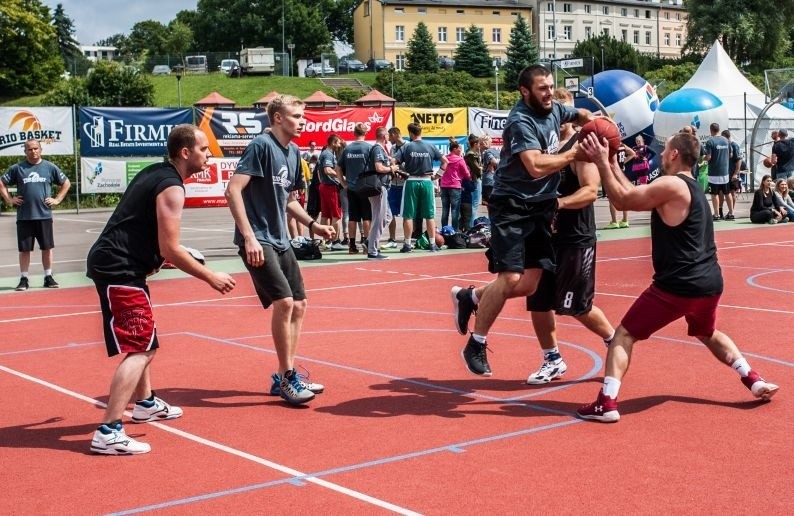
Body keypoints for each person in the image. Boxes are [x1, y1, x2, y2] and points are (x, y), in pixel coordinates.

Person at [576, 131, 778, 423]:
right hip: (709, 283)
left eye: (664, 150)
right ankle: (753, 379)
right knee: (707, 333)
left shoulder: (670, 184)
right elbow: (633, 192)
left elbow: (622, 200)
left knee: (624, 334)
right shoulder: (691, 186)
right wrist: (611, 162)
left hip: (678, 285)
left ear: (674, 155)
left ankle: (606, 402)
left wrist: (600, 161)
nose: (659, 155)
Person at [86, 125, 237, 455]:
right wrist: (210, 276)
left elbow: (147, 234)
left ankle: (146, 403)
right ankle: (108, 430)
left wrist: (154, 257)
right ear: (186, 153)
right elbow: (170, 249)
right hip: (119, 268)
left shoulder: (157, 172)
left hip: (122, 265)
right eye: (204, 150)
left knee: (146, 338)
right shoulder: (172, 187)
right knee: (141, 346)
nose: (208, 156)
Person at [450, 64, 593, 376]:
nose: (549, 93)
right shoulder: (520, 121)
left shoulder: (555, 108)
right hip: (511, 206)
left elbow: (579, 116)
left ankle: (469, 296)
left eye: (551, 87)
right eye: (542, 88)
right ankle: (476, 343)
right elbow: (535, 166)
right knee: (512, 278)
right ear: (525, 91)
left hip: (540, 207)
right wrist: (574, 154)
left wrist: (597, 123)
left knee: (529, 284)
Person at [225, 94, 336, 405]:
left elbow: (289, 200)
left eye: (302, 116)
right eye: (296, 116)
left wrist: (313, 226)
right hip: (258, 238)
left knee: (299, 304)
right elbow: (232, 190)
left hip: (281, 239)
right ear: (277, 118)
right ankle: (288, 378)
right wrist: (248, 237)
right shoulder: (261, 146)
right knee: (285, 302)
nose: (302, 121)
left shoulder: (294, 151)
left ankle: (284, 376)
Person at [526, 88, 615, 384]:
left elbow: (591, 191)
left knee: (577, 306)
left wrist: (558, 205)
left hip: (575, 237)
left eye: (561, 111)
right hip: (544, 236)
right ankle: (552, 359)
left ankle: (616, 343)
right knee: (537, 300)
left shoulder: (582, 146)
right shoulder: (544, 145)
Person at [0, 139, 71, 291]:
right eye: (29, 149)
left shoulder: (49, 167)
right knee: (24, 250)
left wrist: (57, 199)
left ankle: (48, 276)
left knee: (46, 248)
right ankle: (24, 278)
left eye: (35, 148)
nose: (33, 151)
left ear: (41, 149)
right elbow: (1, 183)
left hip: (44, 215)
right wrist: (9, 199)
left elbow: (66, 183)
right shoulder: (17, 168)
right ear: (25, 151)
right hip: (25, 216)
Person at [393, 122, 448, 253]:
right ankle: (432, 244)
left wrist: (398, 172)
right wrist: (437, 176)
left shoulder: (407, 146)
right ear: (420, 132)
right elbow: (445, 161)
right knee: (429, 215)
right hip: (427, 182)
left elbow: (393, 162)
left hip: (411, 181)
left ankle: (407, 245)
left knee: (408, 215)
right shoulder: (430, 145)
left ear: (411, 133)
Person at [337, 123, 373, 254]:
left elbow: (338, 168)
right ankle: (367, 244)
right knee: (367, 217)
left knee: (353, 217)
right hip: (366, 187)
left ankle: (352, 246)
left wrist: (343, 183)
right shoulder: (370, 148)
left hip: (351, 188)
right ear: (365, 133)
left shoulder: (348, 149)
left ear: (354, 133)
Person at [365, 126, 396, 259]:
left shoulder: (380, 149)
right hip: (378, 187)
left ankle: (370, 240)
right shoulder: (378, 148)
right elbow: (378, 167)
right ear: (384, 136)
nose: (389, 137)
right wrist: (391, 168)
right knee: (379, 218)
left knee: (387, 216)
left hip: (382, 186)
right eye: (387, 135)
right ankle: (372, 250)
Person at [316, 134, 345, 250]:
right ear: (333, 142)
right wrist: (341, 176)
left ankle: (325, 241)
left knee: (325, 215)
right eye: (338, 143)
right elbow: (327, 170)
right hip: (330, 187)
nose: (339, 145)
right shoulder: (328, 154)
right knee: (336, 215)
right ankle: (335, 241)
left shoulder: (326, 153)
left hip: (324, 186)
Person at [440, 137, 471, 230]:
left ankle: (444, 230)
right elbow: (467, 174)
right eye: (459, 148)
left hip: (444, 186)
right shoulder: (460, 160)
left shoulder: (445, 158)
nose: (461, 150)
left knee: (445, 210)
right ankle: (454, 231)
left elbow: (441, 170)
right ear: (454, 149)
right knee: (455, 210)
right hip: (455, 186)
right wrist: (469, 177)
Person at [703, 123, 733, 220]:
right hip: (725, 172)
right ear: (719, 129)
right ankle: (731, 213)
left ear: (711, 130)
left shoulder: (710, 141)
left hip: (714, 173)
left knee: (714, 194)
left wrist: (704, 159)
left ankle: (716, 215)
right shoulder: (726, 140)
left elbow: (709, 157)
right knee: (727, 193)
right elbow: (731, 155)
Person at [604, 143, 635, 229]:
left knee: (611, 198)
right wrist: (623, 162)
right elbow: (633, 153)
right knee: (623, 196)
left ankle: (614, 221)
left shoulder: (611, 146)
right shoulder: (623, 145)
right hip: (621, 172)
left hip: (613, 173)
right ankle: (625, 220)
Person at [385, 126, 406, 249]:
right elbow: (392, 164)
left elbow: (408, 164)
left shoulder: (408, 146)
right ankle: (392, 239)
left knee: (407, 214)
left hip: (404, 185)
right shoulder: (392, 148)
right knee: (390, 212)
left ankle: (406, 238)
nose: (388, 139)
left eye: (390, 136)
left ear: (394, 134)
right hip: (393, 185)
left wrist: (401, 168)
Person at [464, 134, 483, 226]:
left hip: (473, 180)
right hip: (474, 181)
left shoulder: (471, 153)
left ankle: (471, 225)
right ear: (475, 144)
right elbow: (477, 170)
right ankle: (471, 227)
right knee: (474, 206)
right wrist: (481, 169)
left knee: (473, 205)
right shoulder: (471, 155)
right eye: (479, 143)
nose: (480, 145)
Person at [480, 135, 499, 204]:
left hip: (488, 180)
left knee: (488, 203)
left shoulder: (487, 152)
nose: (480, 146)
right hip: (496, 179)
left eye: (481, 144)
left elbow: (494, 162)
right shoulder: (496, 151)